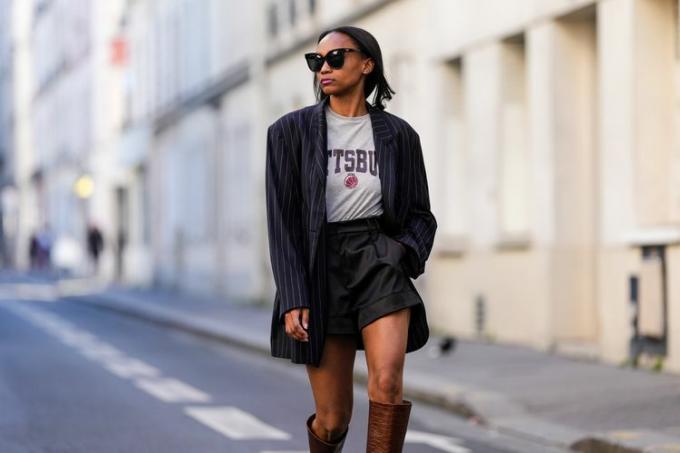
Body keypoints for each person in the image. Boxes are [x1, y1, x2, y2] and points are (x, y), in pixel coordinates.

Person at [265, 25, 437, 453]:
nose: (324, 67)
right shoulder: (289, 132)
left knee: (386, 383)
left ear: (366, 64)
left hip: (379, 259)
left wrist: (401, 253)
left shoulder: (399, 136)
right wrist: (293, 294)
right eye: (316, 61)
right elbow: (282, 221)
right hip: (319, 266)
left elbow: (420, 215)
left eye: (335, 58)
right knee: (333, 417)